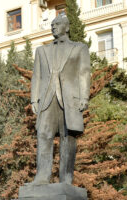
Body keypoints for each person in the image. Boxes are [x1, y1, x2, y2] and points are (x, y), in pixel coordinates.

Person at [29, 14, 91, 185]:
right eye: (52, 24)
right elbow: (37, 76)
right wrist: (34, 99)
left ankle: (66, 179)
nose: (53, 27)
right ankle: (42, 177)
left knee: (67, 137)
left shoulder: (79, 48)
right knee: (43, 134)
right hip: (47, 99)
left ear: (67, 27)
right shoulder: (42, 51)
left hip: (69, 99)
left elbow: (84, 73)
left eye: (57, 24)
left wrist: (84, 97)